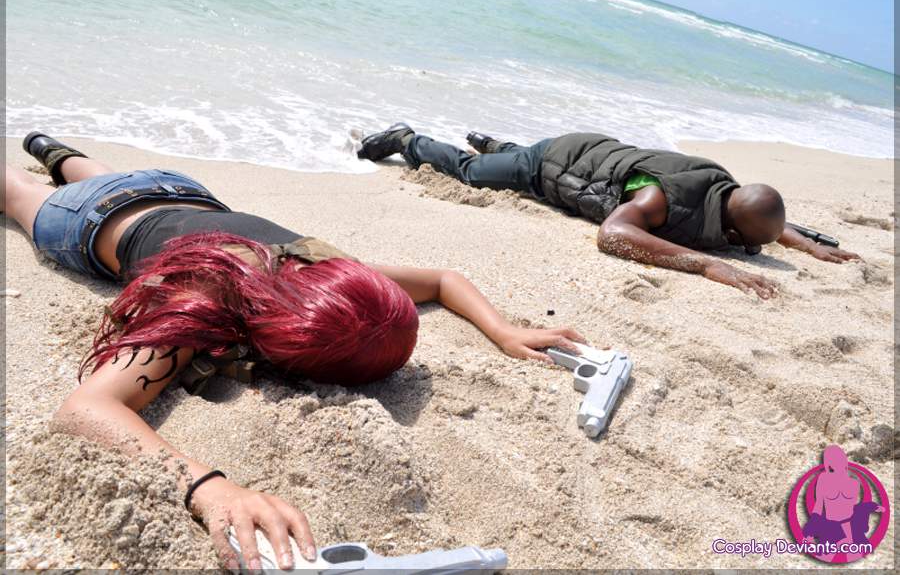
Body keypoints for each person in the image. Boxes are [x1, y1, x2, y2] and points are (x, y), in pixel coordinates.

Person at [4, 132, 585, 571]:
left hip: (171, 188)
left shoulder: (320, 270)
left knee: (97, 175)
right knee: (18, 195)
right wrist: (208, 486)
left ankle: (53, 150)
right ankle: (48, 160)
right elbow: (86, 409)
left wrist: (503, 330)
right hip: (87, 221)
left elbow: (441, 279)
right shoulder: (202, 300)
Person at [357, 124, 860, 299]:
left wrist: (806, 243)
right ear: (730, 228)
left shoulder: (727, 190)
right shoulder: (661, 200)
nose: (746, 250)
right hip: (554, 163)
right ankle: (410, 139)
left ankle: (495, 144)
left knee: (502, 158)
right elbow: (614, 233)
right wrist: (706, 264)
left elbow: (759, 216)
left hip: (599, 151)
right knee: (471, 172)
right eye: (746, 245)